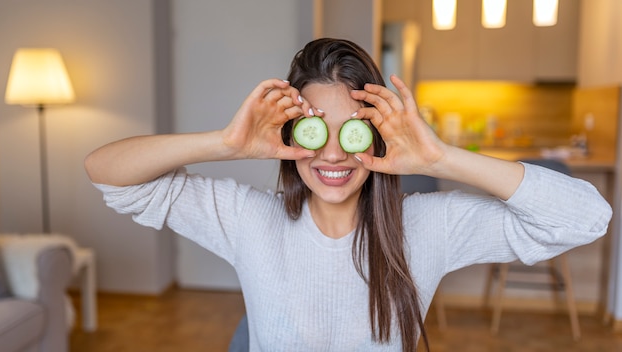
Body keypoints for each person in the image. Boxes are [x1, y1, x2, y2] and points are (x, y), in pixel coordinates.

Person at [84, 38, 612, 351]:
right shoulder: (247, 219)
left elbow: (586, 218)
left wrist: (440, 158)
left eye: (353, 133)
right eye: (316, 131)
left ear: (378, 138)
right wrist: (224, 144)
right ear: (291, 135)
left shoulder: (426, 227)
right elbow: (105, 171)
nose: (333, 155)